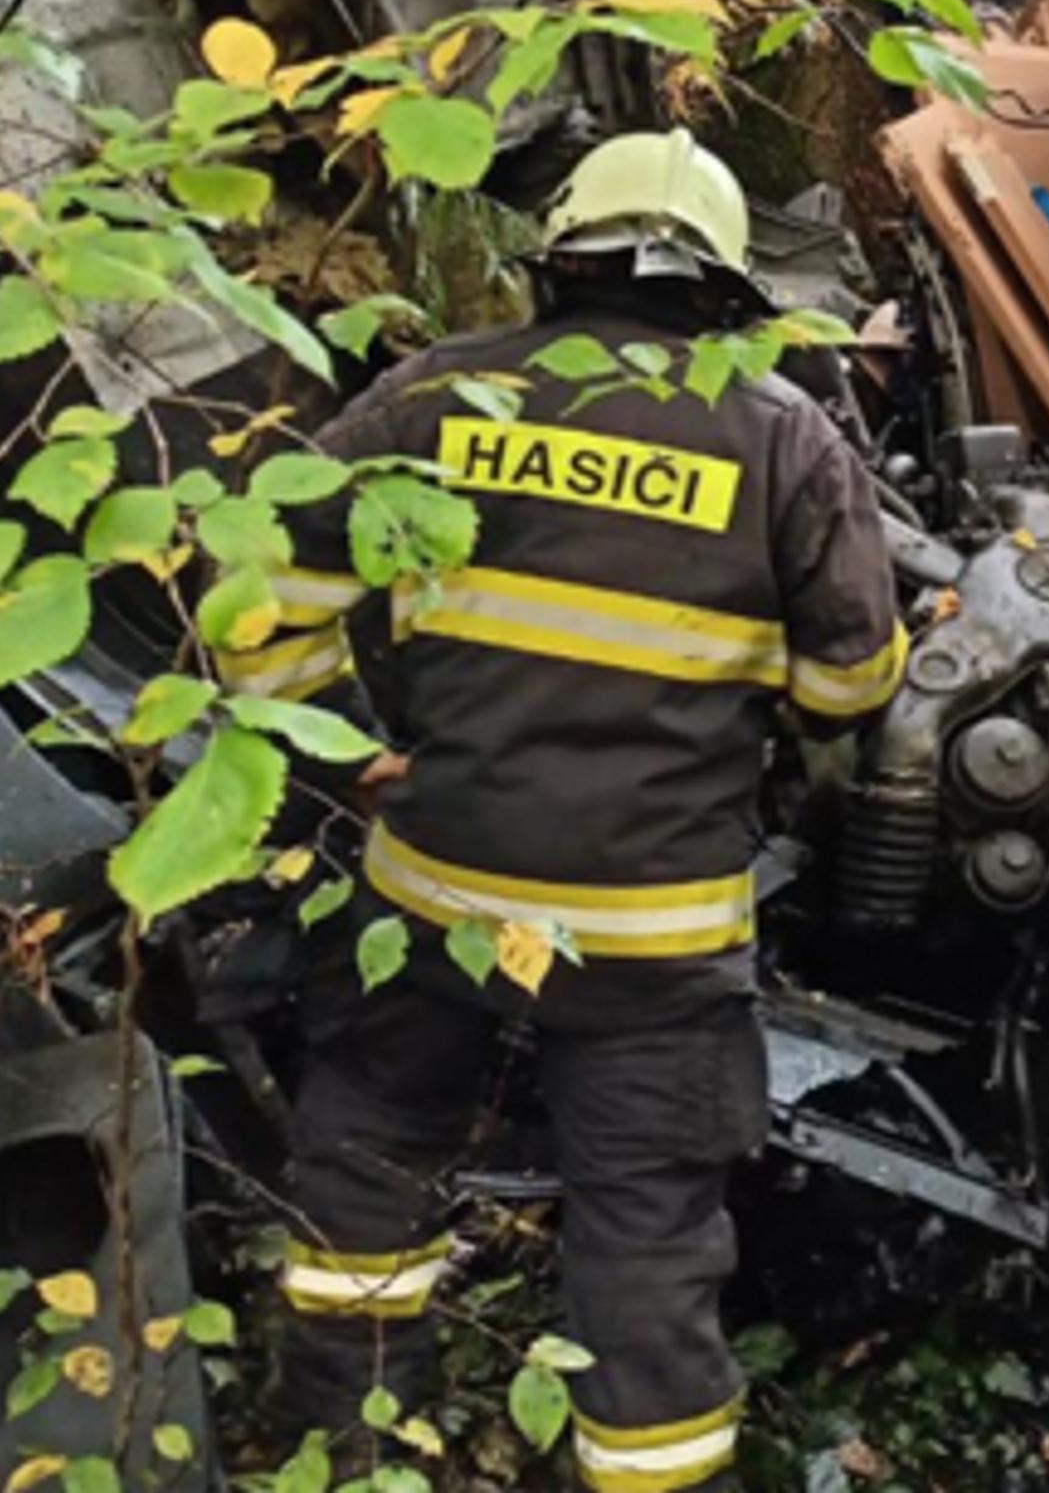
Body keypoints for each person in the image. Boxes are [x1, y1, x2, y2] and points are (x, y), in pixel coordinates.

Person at [237, 130, 906, 1490]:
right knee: (645, 1233)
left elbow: (253, 596)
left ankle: (352, 1447)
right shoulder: (781, 436)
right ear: (726, 290)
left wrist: (349, 754)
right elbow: (849, 689)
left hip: (438, 899)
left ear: (557, 262)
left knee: (370, 1158)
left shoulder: (437, 396)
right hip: (649, 939)